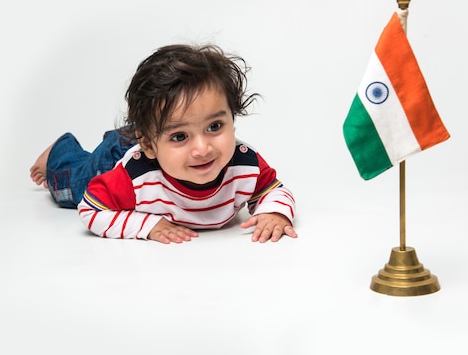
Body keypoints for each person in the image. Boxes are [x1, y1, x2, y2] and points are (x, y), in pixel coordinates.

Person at [30, 44, 296, 244]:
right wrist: (148, 225)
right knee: (72, 186)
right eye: (180, 136)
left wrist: (275, 213)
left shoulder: (244, 162)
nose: (203, 148)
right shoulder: (134, 178)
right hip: (118, 158)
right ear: (148, 144)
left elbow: (273, 190)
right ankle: (59, 150)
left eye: (214, 127)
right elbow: (90, 208)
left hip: (151, 135)